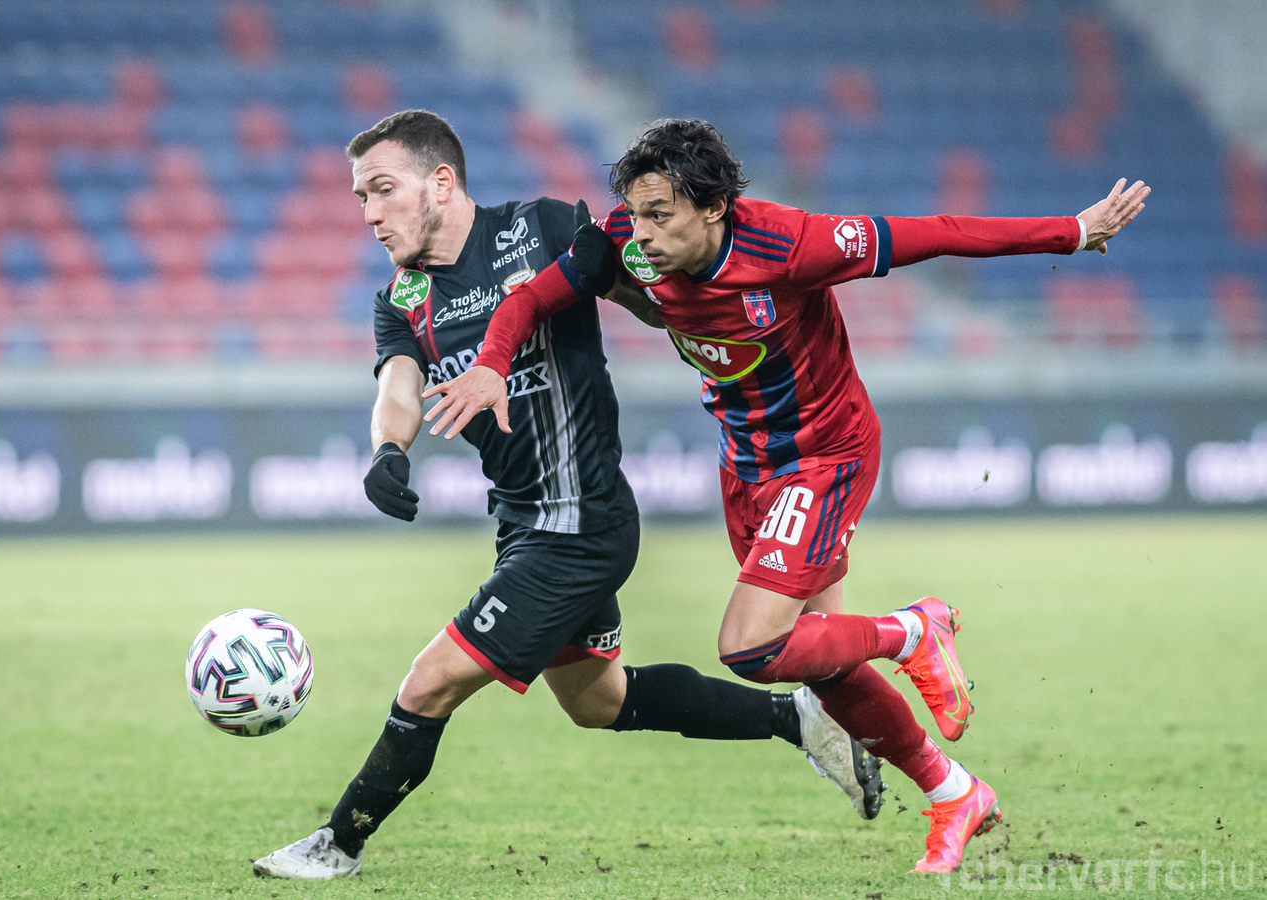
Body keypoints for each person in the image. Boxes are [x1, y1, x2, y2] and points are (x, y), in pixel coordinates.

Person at [423, 118, 1149, 874]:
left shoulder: (790, 245)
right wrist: (492, 363)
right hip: (747, 467)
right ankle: (954, 792)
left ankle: (912, 630)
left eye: (659, 215)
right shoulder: (627, 243)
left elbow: (936, 233)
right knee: (823, 663)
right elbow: (531, 298)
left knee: (751, 645)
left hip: (825, 457)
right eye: (635, 214)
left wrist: (1071, 231)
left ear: (714, 206)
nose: (641, 235)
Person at [252, 110, 884, 881]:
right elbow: (398, 385)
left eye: (382, 190)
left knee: (431, 682)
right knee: (597, 701)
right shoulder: (402, 299)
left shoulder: (541, 228)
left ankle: (339, 843)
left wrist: (730, 328)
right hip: (523, 523)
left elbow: (654, 293)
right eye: (360, 198)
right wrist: (389, 448)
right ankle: (800, 718)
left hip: (582, 524)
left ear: (440, 182)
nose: (369, 213)